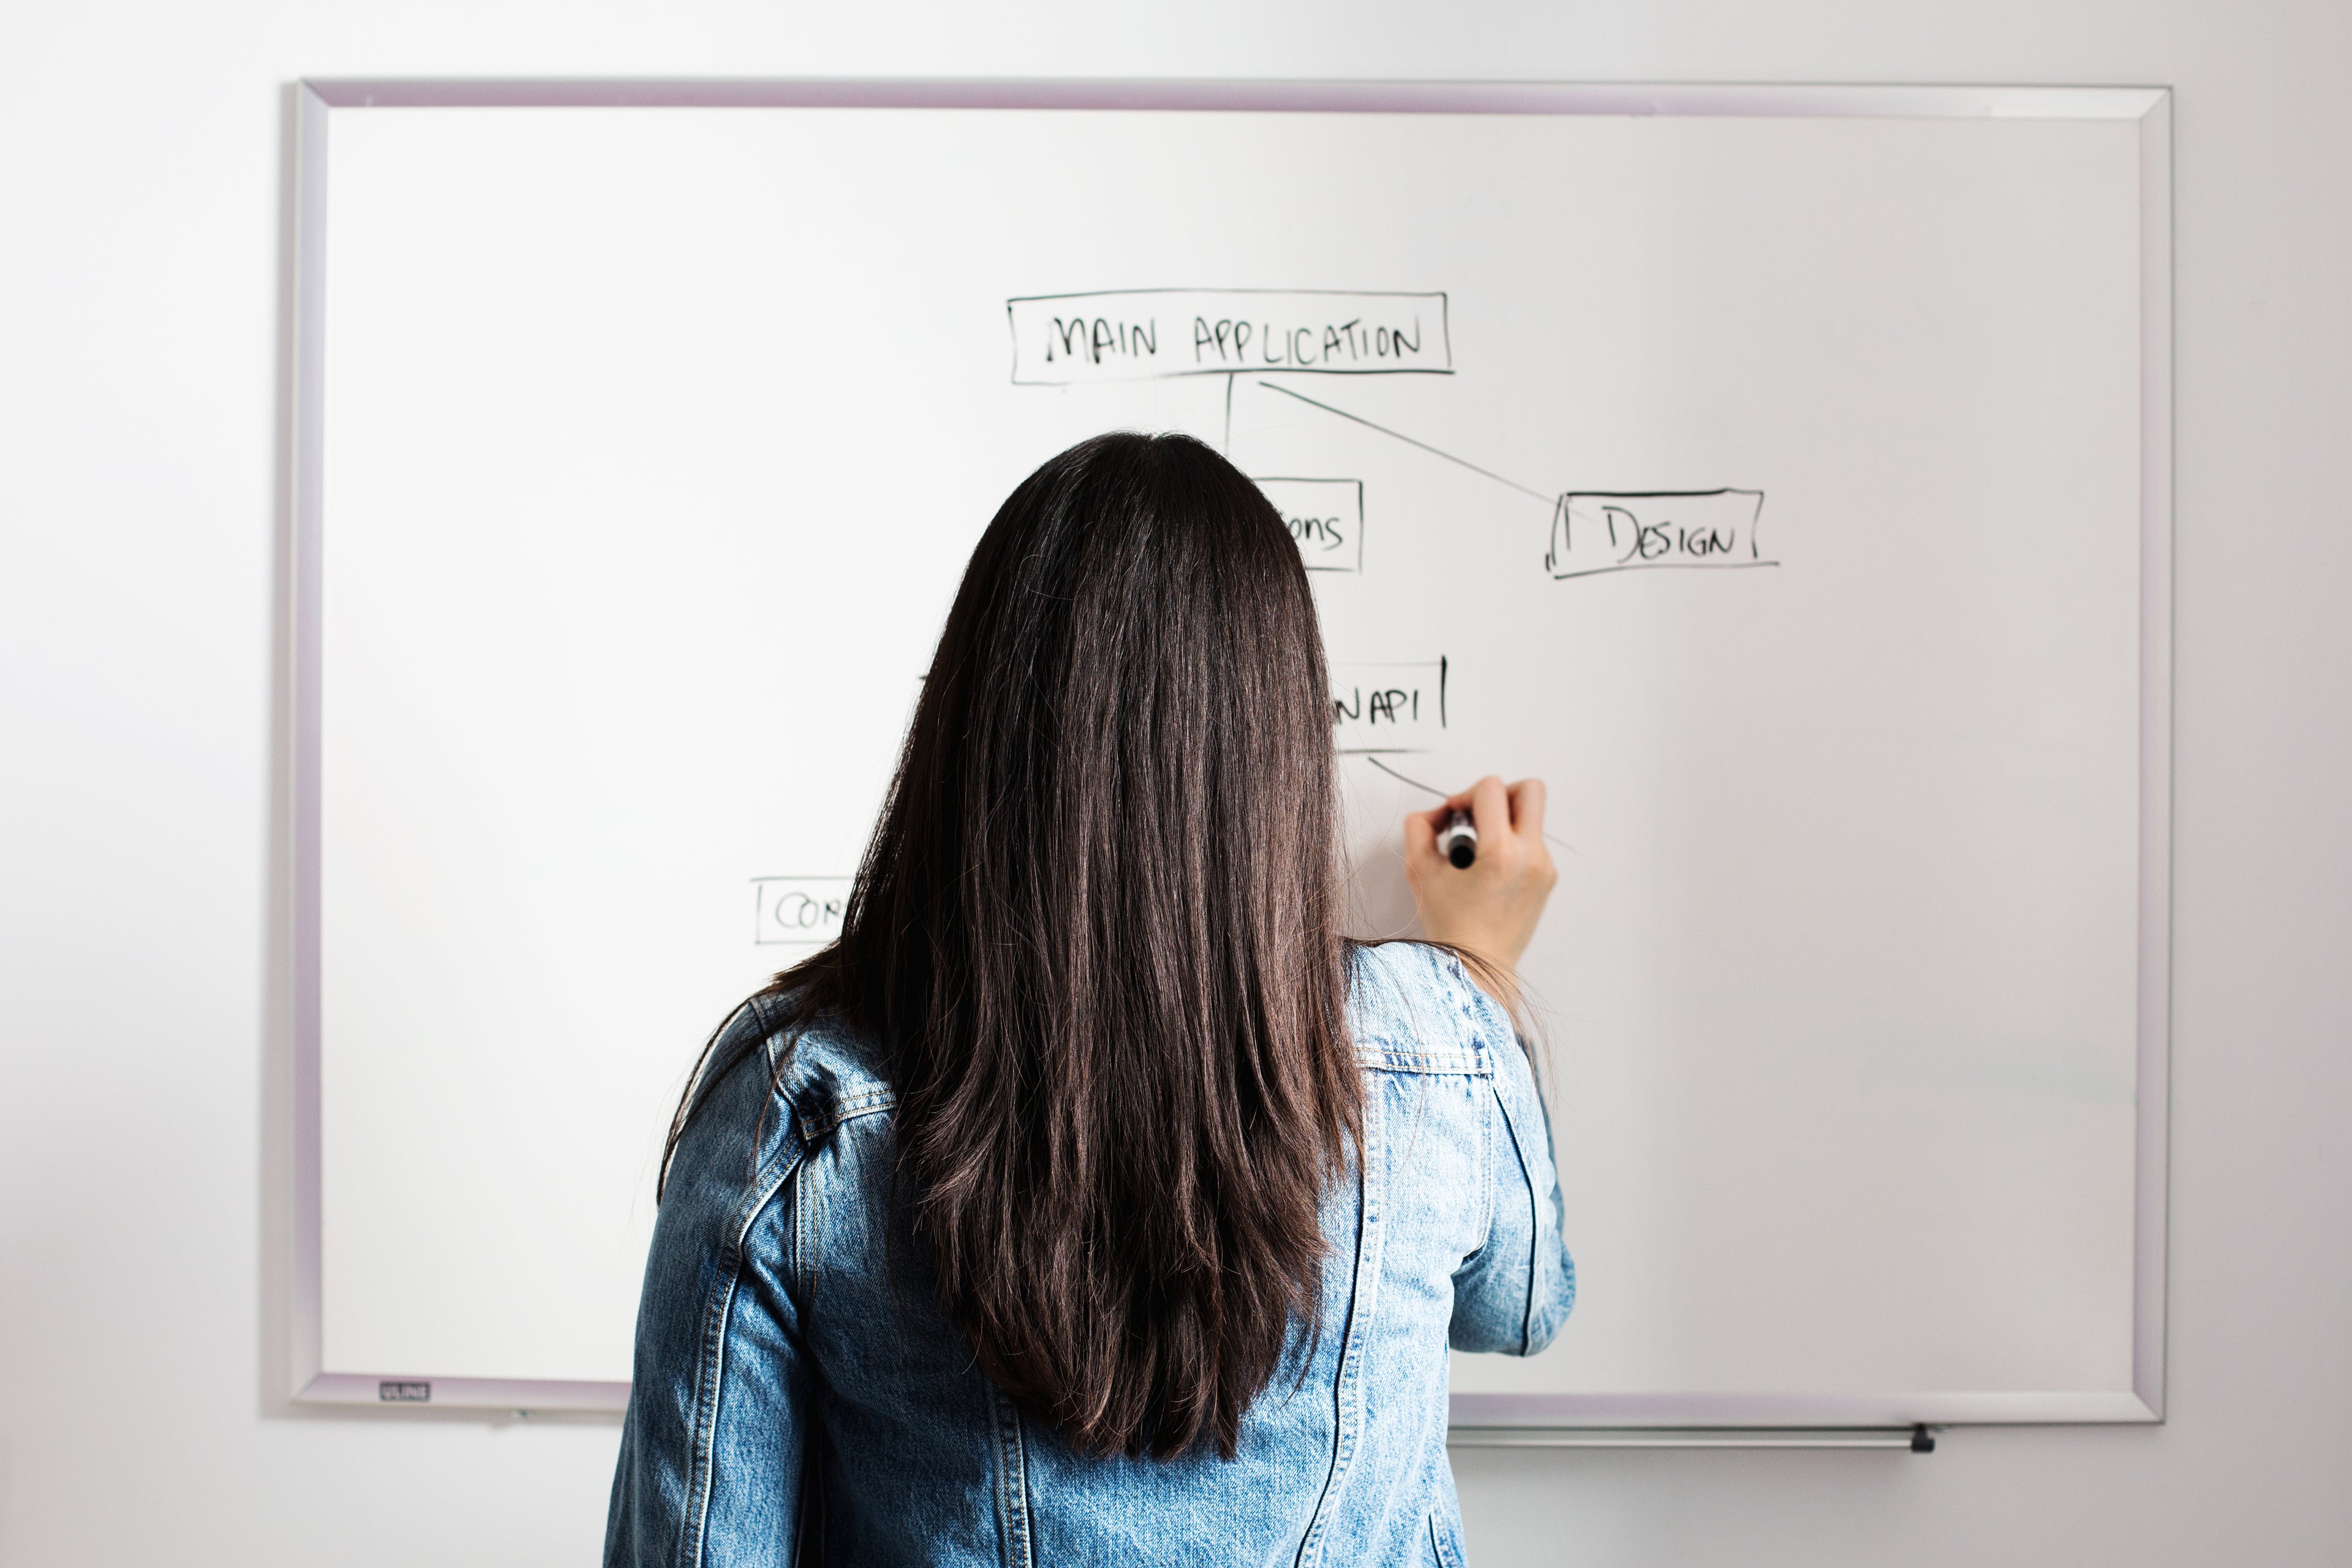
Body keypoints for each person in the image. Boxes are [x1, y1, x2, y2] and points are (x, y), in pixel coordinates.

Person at [606, 432, 1572, 1566]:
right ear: (1283, 747)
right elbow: (1522, 1304)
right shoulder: (1434, 1043)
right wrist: (1482, 969)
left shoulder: (802, 1105)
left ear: (973, 726)